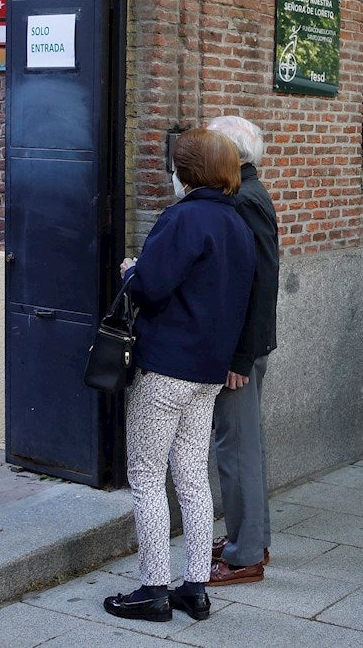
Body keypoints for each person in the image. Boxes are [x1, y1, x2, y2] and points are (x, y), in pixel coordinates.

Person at [104, 129, 256, 624]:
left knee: (147, 476)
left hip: (166, 368)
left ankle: (153, 589)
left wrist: (131, 271)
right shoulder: (238, 223)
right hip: (208, 372)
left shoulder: (183, 217)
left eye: (174, 166)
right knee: (192, 477)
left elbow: (150, 286)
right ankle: (195, 587)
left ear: (187, 173)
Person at [205, 116, 279, 587]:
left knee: (236, 449)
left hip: (241, 352)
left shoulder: (244, 199)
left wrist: (240, 357)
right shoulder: (245, 192)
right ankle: (251, 538)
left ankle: (245, 554)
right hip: (245, 348)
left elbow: (260, 283)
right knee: (243, 444)